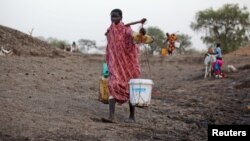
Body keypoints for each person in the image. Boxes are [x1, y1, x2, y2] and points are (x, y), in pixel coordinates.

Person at [102, 9, 146, 123]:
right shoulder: (110, 30)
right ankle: (111, 116)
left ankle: (132, 116)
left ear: (121, 17)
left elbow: (134, 36)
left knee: (130, 88)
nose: (113, 19)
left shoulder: (126, 29)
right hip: (115, 64)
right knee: (112, 85)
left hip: (128, 65)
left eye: (116, 16)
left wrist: (140, 33)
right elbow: (110, 44)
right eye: (112, 17)